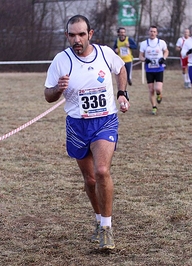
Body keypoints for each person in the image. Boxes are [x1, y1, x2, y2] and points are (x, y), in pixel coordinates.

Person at [44, 15, 129, 251]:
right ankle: (98, 218)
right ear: (67, 36)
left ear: (90, 34)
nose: (77, 39)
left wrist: (122, 92)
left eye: (81, 34)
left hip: (105, 121)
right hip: (77, 125)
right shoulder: (61, 60)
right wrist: (58, 89)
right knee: (90, 180)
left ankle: (106, 229)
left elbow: (120, 68)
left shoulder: (104, 53)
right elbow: (47, 95)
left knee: (102, 171)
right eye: (72, 35)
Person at [139, 25, 169, 115]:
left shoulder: (161, 42)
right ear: (149, 32)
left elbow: (166, 51)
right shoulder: (144, 43)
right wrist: (145, 59)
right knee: (151, 90)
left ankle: (159, 94)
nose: (152, 33)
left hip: (159, 68)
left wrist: (163, 58)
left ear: (157, 33)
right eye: (151, 31)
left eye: (154, 32)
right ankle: (154, 107)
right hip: (149, 70)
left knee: (158, 88)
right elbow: (140, 56)